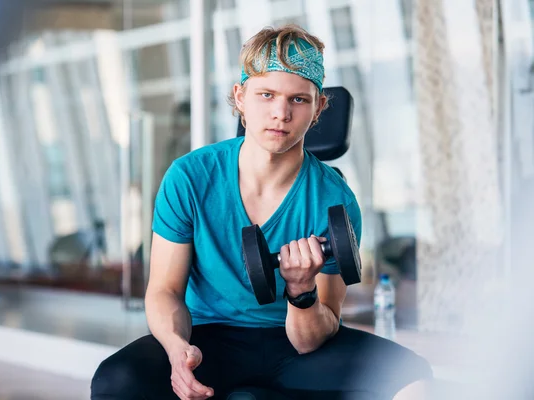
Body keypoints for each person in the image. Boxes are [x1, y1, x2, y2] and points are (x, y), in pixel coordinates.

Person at [91, 24, 433, 400]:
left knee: (413, 378)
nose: (280, 113)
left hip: (295, 348)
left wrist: (301, 290)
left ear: (318, 107)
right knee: (116, 380)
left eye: (298, 100)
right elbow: (164, 290)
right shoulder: (190, 177)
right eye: (266, 95)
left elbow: (313, 340)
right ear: (240, 97)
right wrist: (176, 350)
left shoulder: (335, 200)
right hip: (209, 339)